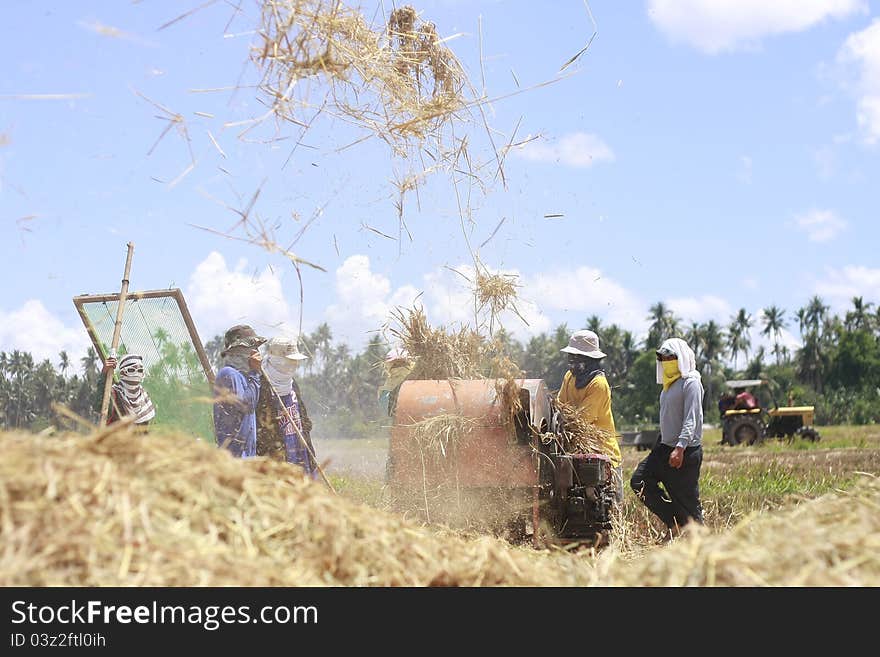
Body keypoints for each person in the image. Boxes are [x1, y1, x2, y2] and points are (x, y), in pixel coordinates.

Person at [630, 337, 705, 539]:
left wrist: (680, 447)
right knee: (639, 481)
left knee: (687, 500)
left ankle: (701, 542)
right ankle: (675, 523)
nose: (665, 361)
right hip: (664, 446)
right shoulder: (669, 385)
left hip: (685, 451)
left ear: (680, 358)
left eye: (670, 357)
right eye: (662, 358)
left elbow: (692, 418)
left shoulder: (691, 383)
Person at [556, 329, 623, 504]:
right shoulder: (569, 377)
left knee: (605, 509)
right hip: (574, 451)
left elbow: (581, 422)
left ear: (591, 360)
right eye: (571, 357)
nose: (572, 362)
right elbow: (559, 408)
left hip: (601, 454)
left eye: (578, 358)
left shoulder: (598, 384)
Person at [256, 336, 318, 479]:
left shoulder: (292, 384)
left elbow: (303, 418)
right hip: (277, 459)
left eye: (295, 361)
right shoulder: (262, 386)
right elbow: (260, 429)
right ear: (276, 360)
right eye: (290, 361)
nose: (294, 365)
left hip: (300, 452)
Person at [213, 324, 266, 458]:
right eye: (250, 347)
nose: (255, 352)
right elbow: (246, 405)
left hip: (246, 457)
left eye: (256, 347)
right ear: (236, 350)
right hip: (234, 458)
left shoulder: (243, 377)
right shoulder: (229, 374)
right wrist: (255, 372)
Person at [95, 353, 156, 428]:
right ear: (123, 372)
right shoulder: (115, 393)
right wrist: (104, 373)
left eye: (140, 370)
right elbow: (100, 407)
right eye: (131, 370)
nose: (136, 373)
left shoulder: (144, 396)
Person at [378, 348, 415, 417]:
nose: (399, 367)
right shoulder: (387, 391)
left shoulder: (416, 382)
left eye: (402, 363)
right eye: (396, 364)